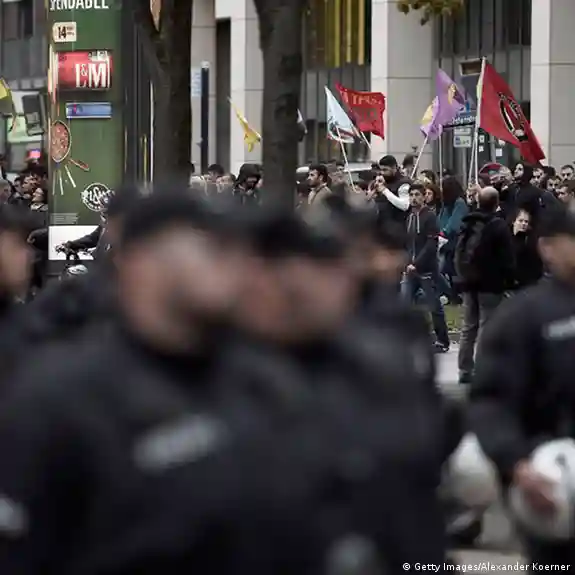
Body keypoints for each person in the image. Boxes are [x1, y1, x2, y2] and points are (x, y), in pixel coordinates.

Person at [0, 191, 339, 575]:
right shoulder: (61, 397)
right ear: (142, 262)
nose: (236, 265)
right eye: (213, 248)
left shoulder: (266, 382)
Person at [469, 203, 575, 569]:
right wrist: (517, 463)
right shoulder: (523, 317)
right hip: (552, 482)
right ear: (548, 247)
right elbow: (491, 401)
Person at [455, 186, 515, 384]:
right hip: (490, 284)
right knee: (487, 326)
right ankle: (483, 369)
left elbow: (459, 251)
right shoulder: (498, 226)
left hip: (468, 282)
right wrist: (509, 281)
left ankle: (464, 369)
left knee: (468, 326)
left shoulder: (468, 222)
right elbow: (507, 257)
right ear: (496, 203)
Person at [401, 182, 450, 352]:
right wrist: (407, 262)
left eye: (417, 195)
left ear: (424, 197)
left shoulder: (429, 217)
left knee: (434, 306)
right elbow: (408, 243)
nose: (413, 198)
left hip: (427, 269)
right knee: (405, 303)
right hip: (410, 269)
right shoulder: (409, 217)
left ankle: (442, 341)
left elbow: (431, 245)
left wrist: (416, 263)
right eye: (411, 195)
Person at [511, 209, 543, 290]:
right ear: (513, 221)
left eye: (526, 222)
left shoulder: (530, 240)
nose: (523, 224)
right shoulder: (505, 237)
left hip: (525, 283)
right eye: (520, 221)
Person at [376, 155, 411, 225]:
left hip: (398, 226)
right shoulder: (385, 182)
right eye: (381, 170)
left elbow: (405, 205)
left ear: (394, 168)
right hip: (383, 225)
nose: (382, 173)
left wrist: (385, 190)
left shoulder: (404, 183)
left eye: (385, 170)